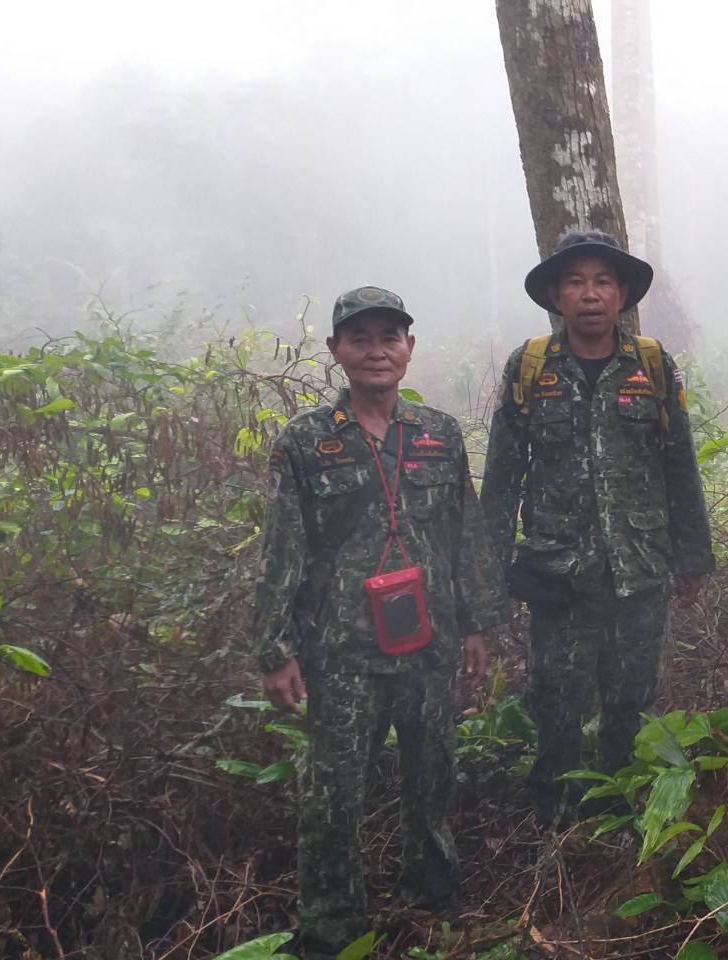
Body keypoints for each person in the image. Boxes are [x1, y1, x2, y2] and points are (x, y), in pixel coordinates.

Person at [251, 286, 510, 958]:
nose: (376, 351)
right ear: (336, 350)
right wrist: (275, 648)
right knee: (333, 796)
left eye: (389, 337)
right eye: (360, 338)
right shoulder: (305, 442)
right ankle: (331, 928)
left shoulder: (438, 435)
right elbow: (282, 548)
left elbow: (465, 534)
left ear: (409, 348)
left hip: (429, 643)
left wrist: (477, 624)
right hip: (343, 652)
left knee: (432, 779)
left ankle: (431, 904)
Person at [479, 230, 714, 825]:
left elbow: (680, 464)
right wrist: (489, 573)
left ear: (621, 295)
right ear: (556, 296)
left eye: (603, 281)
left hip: (639, 568)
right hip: (558, 572)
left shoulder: (652, 365)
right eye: (576, 282)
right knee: (556, 697)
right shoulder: (530, 367)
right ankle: (554, 815)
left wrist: (692, 558)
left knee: (630, 698)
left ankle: (618, 809)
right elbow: (503, 475)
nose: (590, 294)